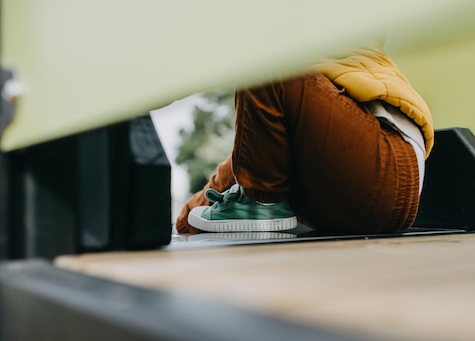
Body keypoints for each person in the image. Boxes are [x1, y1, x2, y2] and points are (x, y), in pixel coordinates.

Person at [175, 40, 434, 235]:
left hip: (386, 164)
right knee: (246, 169)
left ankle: (262, 205)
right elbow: (248, 159)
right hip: (355, 189)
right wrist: (186, 220)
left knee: (265, 66)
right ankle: (254, 203)